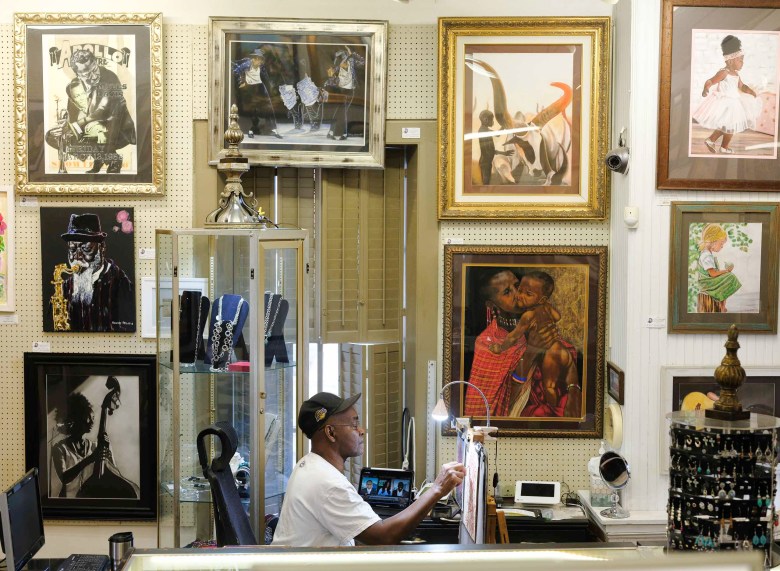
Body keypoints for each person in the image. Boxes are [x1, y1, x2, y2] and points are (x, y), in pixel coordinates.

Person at [272, 392, 465, 547]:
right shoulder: (327, 483)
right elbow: (383, 537)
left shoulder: (308, 465)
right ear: (331, 432)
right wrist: (437, 490)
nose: (361, 430)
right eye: (354, 424)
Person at [464, 268, 578, 418]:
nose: (517, 294)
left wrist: (574, 391)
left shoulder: (541, 319)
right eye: (507, 292)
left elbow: (565, 359)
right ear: (491, 305)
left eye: (517, 286)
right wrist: (532, 351)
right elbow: (491, 407)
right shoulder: (486, 343)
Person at [50, 49, 136, 173]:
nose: (94, 76)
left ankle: (113, 160)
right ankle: (99, 158)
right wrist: (66, 124)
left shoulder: (110, 78)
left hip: (114, 121)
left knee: (94, 129)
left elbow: (103, 110)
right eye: (86, 74)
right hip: (91, 122)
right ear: (78, 74)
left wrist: (75, 126)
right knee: (57, 136)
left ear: (96, 63)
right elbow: (72, 112)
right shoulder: (72, 86)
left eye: (94, 69)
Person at [57, 213, 134, 332]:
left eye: (86, 249)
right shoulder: (65, 286)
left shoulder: (121, 283)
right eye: (72, 249)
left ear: (101, 248)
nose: (77, 257)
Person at [692, 35, 761, 155]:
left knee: (727, 126)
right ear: (731, 60)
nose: (742, 63)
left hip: (734, 103)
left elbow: (741, 86)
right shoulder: (724, 72)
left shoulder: (737, 75)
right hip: (725, 103)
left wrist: (751, 91)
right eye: (740, 60)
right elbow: (711, 81)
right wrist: (706, 88)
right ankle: (721, 146)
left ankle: (713, 141)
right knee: (730, 127)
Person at [51, 392, 113, 498]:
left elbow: (113, 471)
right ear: (76, 418)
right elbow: (64, 478)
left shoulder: (95, 446)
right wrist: (91, 458)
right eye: (88, 417)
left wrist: (109, 451)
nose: (92, 422)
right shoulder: (59, 449)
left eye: (93, 417)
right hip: (68, 503)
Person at [233, 47, 283, 140]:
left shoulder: (261, 66)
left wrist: (270, 87)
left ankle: (274, 130)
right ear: (255, 58)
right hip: (251, 88)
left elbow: (265, 76)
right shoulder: (247, 64)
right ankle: (252, 130)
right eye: (259, 59)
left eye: (262, 60)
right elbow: (236, 71)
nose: (261, 62)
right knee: (253, 110)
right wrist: (241, 81)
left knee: (269, 107)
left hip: (260, 86)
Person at [695, 223, 741, 312]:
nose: (722, 246)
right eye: (721, 244)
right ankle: (722, 305)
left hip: (709, 280)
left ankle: (721, 304)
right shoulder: (706, 256)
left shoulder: (707, 254)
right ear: (713, 241)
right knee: (730, 277)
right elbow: (712, 274)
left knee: (727, 278)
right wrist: (726, 271)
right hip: (707, 283)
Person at [323, 46, 365, 141]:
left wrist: (352, 54)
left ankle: (338, 133)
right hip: (341, 91)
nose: (342, 58)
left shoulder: (352, 62)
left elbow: (363, 62)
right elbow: (333, 80)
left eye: (343, 55)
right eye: (339, 57)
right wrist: (330, 77)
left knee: (344, 112)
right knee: (339, 111)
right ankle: (336, 132)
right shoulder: (338, 67)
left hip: (350, 90)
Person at [477, 109, 513, 184]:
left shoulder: (485, 130)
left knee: (487, 182)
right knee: (486, 183)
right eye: (492, 120)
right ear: (486, 120)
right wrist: (503, 125)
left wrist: (504, 153)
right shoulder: (483, 131)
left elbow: (491, 149)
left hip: (487, 162)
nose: (493, 122)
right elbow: (497, 135)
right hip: (485, 163)